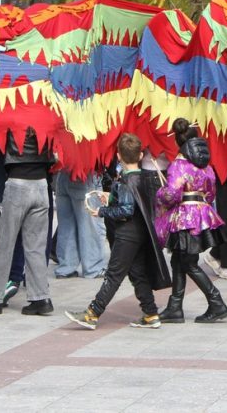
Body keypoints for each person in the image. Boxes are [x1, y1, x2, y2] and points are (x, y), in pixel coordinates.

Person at [64, 133, 170, 330]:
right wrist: (111, 198)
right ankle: (150, 313)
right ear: (140, 156)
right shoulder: (145, 178)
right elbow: (134, 203)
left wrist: (102, 211)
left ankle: (93, 313)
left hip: (126, 235)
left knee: (114, 275)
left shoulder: (125, 181)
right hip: (141, 233)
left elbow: (126, 210)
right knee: (138, 274)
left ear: (118, 156)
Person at [0, 126, 55, 316]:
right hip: (42, 185)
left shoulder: (13, 115)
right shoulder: (48, 115)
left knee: (6, 244)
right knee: (35, 246)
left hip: (18, 182)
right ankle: (40, 298)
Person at [155, 118, 227, 324]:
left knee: (188, 262)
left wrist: (160, 193)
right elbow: (211, 192)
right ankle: (175, 307)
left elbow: (171, 194)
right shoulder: (206, 166)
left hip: (184, 219)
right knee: (179, 260)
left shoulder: (178, 165)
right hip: (201, 215)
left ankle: (217, 303)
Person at [53, 169, 108, 280]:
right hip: (84, 173)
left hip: (62, 173)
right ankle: (93, 268)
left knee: (66, 224)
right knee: (91, 224)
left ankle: (66, 267)